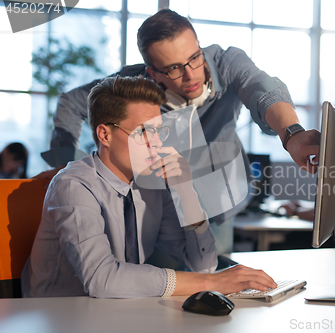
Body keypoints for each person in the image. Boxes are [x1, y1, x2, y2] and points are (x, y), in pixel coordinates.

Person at [39, 9, 320, 254]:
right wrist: (65, 167)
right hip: (158, 209)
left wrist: (291, 134)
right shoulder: (131, 84)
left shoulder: (227, 63)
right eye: (173, 68)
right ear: (152, 73)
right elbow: (71, 103)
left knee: (215, 287)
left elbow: (262, 89)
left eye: (194, 58)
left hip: (216, 207)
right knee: (156, 295)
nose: (191, 75)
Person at [21, 76, 277, 298]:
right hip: (57, 316)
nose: (156, 144)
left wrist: (186, 193)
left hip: (119, 312)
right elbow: (102, 279)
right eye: (144, 132)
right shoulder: (73, 185)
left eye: (159, 132)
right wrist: (213, 283)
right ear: (104, 135)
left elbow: (203, 265)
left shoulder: (150, 185)